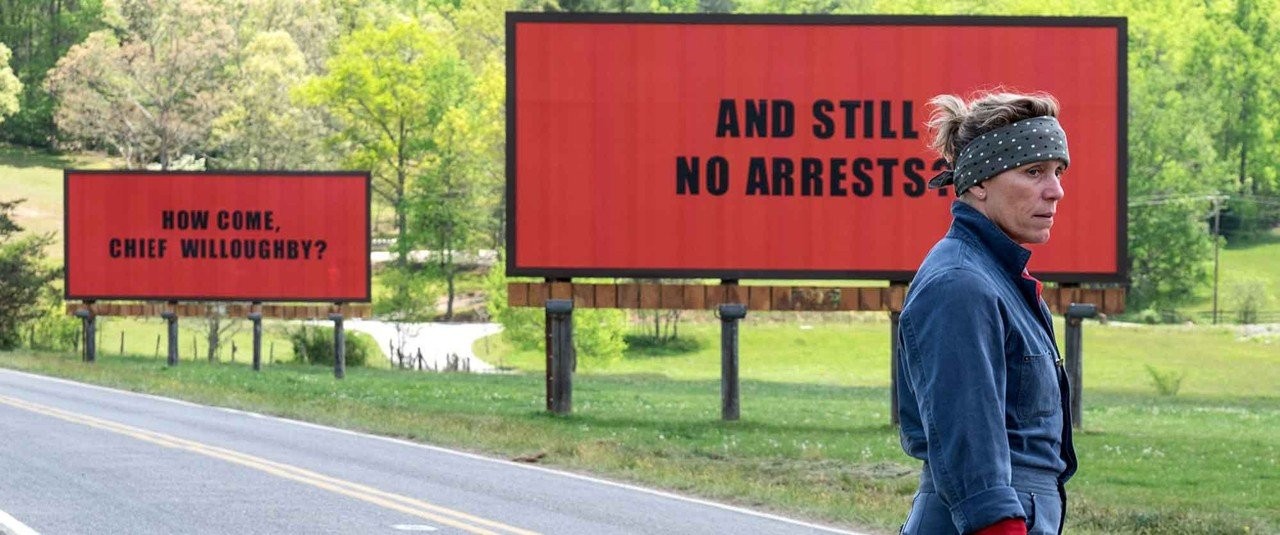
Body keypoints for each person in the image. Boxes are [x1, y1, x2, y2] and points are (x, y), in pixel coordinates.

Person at [896, 91, 1077, 535]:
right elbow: (968, 440)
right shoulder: (960, 284)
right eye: (1033, 171)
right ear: (979, 183)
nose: (1055, 190)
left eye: (1057, 171)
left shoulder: (996, 280)